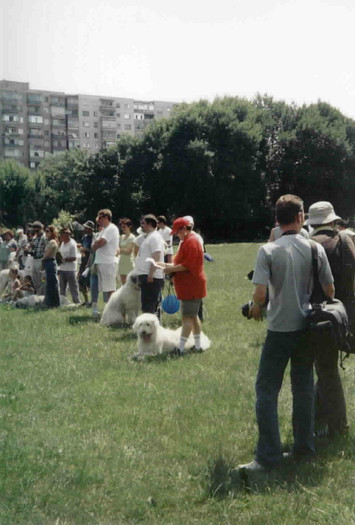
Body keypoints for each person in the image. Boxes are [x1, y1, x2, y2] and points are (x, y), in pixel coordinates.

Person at [238, 194, 334, 473]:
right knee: (303, 388)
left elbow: (259, 293)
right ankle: (304, 449)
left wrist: (256, 306)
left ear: (277, 220)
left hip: (279, 329)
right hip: (307, 327)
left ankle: (268, 457)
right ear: (301, 217)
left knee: (266, 390)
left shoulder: (267, 250)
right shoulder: (316, 248)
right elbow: (329, 291)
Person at [305, 201, 355, 437]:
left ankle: (337, 427)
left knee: (326, 370)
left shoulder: (311, 246)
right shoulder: (347, 240)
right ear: (333, 221)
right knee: (326, 368)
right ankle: (318, 415)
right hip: (348, 313)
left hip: (323, 315)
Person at [164, 217, 207, 355]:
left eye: (177, 232)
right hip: (188, 285)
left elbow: (188, 265)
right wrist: (164, 265)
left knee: (187, 317)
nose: (176, 235)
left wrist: (170, 269)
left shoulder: (192, 241)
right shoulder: (186, 241)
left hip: (192, 285)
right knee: (193, 316)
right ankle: (198, 346)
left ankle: (180, 348)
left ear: (184, 229)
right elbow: (179, 262)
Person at [135, 214, 165, 315]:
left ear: (149, 224)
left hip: (151, 277)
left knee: (149, 305)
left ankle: (150, 329)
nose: (142, 226)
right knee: (147, 304)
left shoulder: (155, 237)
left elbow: (156, 256)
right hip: (146, 275)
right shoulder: (149, 237)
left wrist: (151, 274)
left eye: (143, 223)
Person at [91, 209, 119, 312]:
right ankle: (109, 311)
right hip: (101, 262)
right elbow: (94, 244)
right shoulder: (104, 230)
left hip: (107, 262)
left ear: (106, 218)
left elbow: (100, 243)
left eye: (100, 218)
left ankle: (114, 311)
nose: (98, 220)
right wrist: (95, 244)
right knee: (104, 289)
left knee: (110, 289)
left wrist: (95, 245)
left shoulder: (111, 228)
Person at [58, 227, 80, 304]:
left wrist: (64, 259)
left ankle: (76, 301)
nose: (60, 237)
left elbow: (74, 257)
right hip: (62, 268)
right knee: (62, 288)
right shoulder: (62, 244)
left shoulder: (72, 244)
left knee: (73, 287)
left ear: (66, 235)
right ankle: (62, 301)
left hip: (70, 269)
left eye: (62, 235)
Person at [42, 225, 60, 308]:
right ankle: (50, 302)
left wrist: (42, 260)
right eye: (46, 231)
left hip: (50, 262)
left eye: (48, 231)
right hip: (48, 263)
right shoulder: (49, 241)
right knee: (49, 283)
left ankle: (53, 303)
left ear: (52, 232)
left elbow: (47, 254)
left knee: (52, 284)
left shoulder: (52, 242)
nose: (46, 233)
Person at [78, 220, 95, 305]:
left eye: (86, 227)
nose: (85, 228)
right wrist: (81, 248)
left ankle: (92, 300)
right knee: (80, 281)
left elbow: (93, 250)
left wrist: (86, 249)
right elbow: (82, 245)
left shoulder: (94, 237)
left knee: (90, 282)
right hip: (83, 261)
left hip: (90, 261)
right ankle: (86, 300)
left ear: (91, 229)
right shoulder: (84, 237)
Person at [118, 218, 136, 284]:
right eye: (121, 227)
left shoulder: (132, 237)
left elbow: (128, 251)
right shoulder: (121, 237)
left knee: (131, 284)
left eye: (124, 226)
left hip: (129, 263)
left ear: (129, 226)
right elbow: (118, 249)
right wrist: (121, 250)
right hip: (122, 262)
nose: (122, 228)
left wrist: (120, 250)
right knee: (123, 284)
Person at [30, 221, 47, 291]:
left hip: (41, 259)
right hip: (34, 259)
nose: (36, 232)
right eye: (34, 231)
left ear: (41, 229)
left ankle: (42, 293)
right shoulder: (34, 238)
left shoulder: (45, 238)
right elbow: (33, 249)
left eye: (37, 230)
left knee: (42, 278)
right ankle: (37, 291)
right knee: (35, 278)